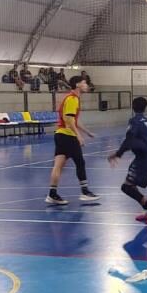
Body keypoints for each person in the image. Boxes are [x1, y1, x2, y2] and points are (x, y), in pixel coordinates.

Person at [46, 76, 99, 205]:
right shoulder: (72, 99)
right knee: (80, 162)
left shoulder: (72, 98)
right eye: (84, 83)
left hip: (61, 135)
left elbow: (74, 120)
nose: (86, 85)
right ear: (77, 84)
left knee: (58, 165)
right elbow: (69, 120)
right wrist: (78, 136)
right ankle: (85, 192)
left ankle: (52, 194)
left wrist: (87, 132)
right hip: (67, 136)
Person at [109, 97, 147, 224]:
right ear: (145, 108)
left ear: (132, 107)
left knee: (126, 187)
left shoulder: (135, 121)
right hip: (146, 156)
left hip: (143, 159)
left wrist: (118, 154)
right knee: (130, 186)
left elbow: (129, 139)